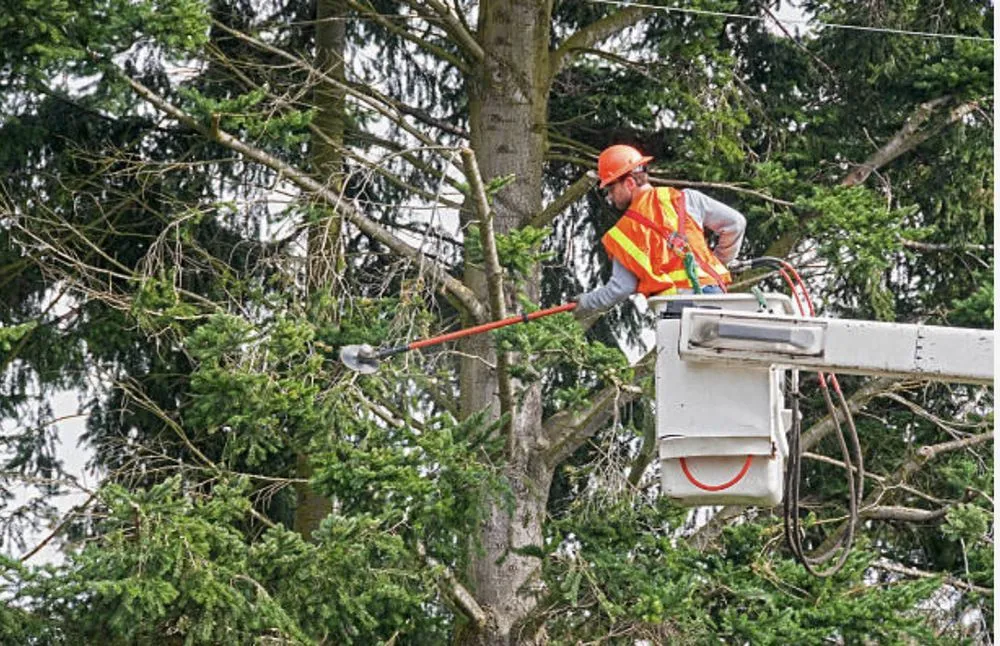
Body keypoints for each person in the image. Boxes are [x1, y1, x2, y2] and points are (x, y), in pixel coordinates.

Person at [573, 144, 747, 316]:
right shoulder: (685, 198)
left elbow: (621, 287)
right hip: (715, 296)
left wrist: (586, 302)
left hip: (677, 308)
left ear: (630, 182)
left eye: (611, 189)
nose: (609, 197)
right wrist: (719, 261)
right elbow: (735, 223)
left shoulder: (625, 232)